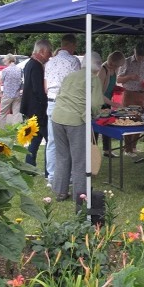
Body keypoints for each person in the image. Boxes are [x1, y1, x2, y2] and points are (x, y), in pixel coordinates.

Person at [52, 52, 104, 202]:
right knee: (80, 159)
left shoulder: (71, 75)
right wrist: (95, 114)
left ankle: (61, 192)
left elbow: (60, 94)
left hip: (57, 117)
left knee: (62, 156)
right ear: (98, 65)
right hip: (75, 120)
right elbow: (95, 104)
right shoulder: (94, 79)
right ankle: (80, 195)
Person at [44, 34, 81, 187]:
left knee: (53, 141)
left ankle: (52, 176)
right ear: (72, 45)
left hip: (51, 102)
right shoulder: (74, 61)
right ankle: (70, 176)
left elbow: (45, 87)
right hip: (68, 103)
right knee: (71, 141)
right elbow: (77, 84)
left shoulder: (49, 63)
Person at [20, 39, 53, 173]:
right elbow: (37, 90)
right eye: (49, 52)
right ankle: (48, 171)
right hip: (38, 109)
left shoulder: (30, 64)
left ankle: (29, 168)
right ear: (41, 51)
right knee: (50, 140)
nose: (50, 55)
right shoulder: (36, 66)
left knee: (35, 139)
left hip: (30, 108)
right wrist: (46, 103)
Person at [117, 42, 144, 157]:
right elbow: (119, 79)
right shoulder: (126, 62)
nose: (141, 58)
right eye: (139, 55)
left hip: (141, 94)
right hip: (129, 94)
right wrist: (129, 77)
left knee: (139, 120)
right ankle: (127, 149)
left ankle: (134, 147)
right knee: (128, 120)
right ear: (134, 52)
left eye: (143, 56)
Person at [96, 51, 125, 157]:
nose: (118, 68)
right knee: (96, 127)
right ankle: (92, 152)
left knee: (107, 125)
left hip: (107, 102)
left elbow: (111, 84)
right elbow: (98, 93)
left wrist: (117, 89)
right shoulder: (103, 70)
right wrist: (114, 103)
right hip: (99, 102)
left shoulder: (114, 69)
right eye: (118, 66)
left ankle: (107, 150)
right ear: (113, 63)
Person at [0, 54, 23, 128]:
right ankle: (16, 128)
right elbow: (21, 80)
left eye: (5, 60)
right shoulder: (19, 69)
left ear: (8, 60)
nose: (4, 62)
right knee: (16, 113)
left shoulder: (5, 70)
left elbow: (2, 80)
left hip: (7, 94)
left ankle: (1, 128)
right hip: (17, 94)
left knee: (3, 112)